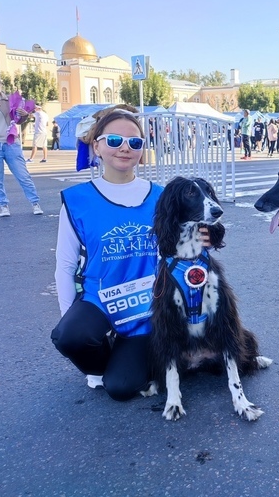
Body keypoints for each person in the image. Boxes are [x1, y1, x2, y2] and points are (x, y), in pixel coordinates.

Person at [51, 110, 211, 400]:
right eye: (114, 140)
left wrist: (205, 240)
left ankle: (127, 355)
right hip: (100, 299)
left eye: (134, 143)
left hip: (151, 305)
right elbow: (64, 265)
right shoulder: (77, 201)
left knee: (121, 387)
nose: (125, 147)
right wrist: (71, 321)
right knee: (70, 337)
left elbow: (189, 244)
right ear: (96, 146)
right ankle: (103, 353)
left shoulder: (164, 196)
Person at [0, 70, 42, 217]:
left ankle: (35, 203)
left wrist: (24, 116)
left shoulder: (9, 99)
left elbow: (17, 120)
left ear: (0, 84)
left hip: (11, 143)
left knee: (23, 176)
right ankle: (3, 206)